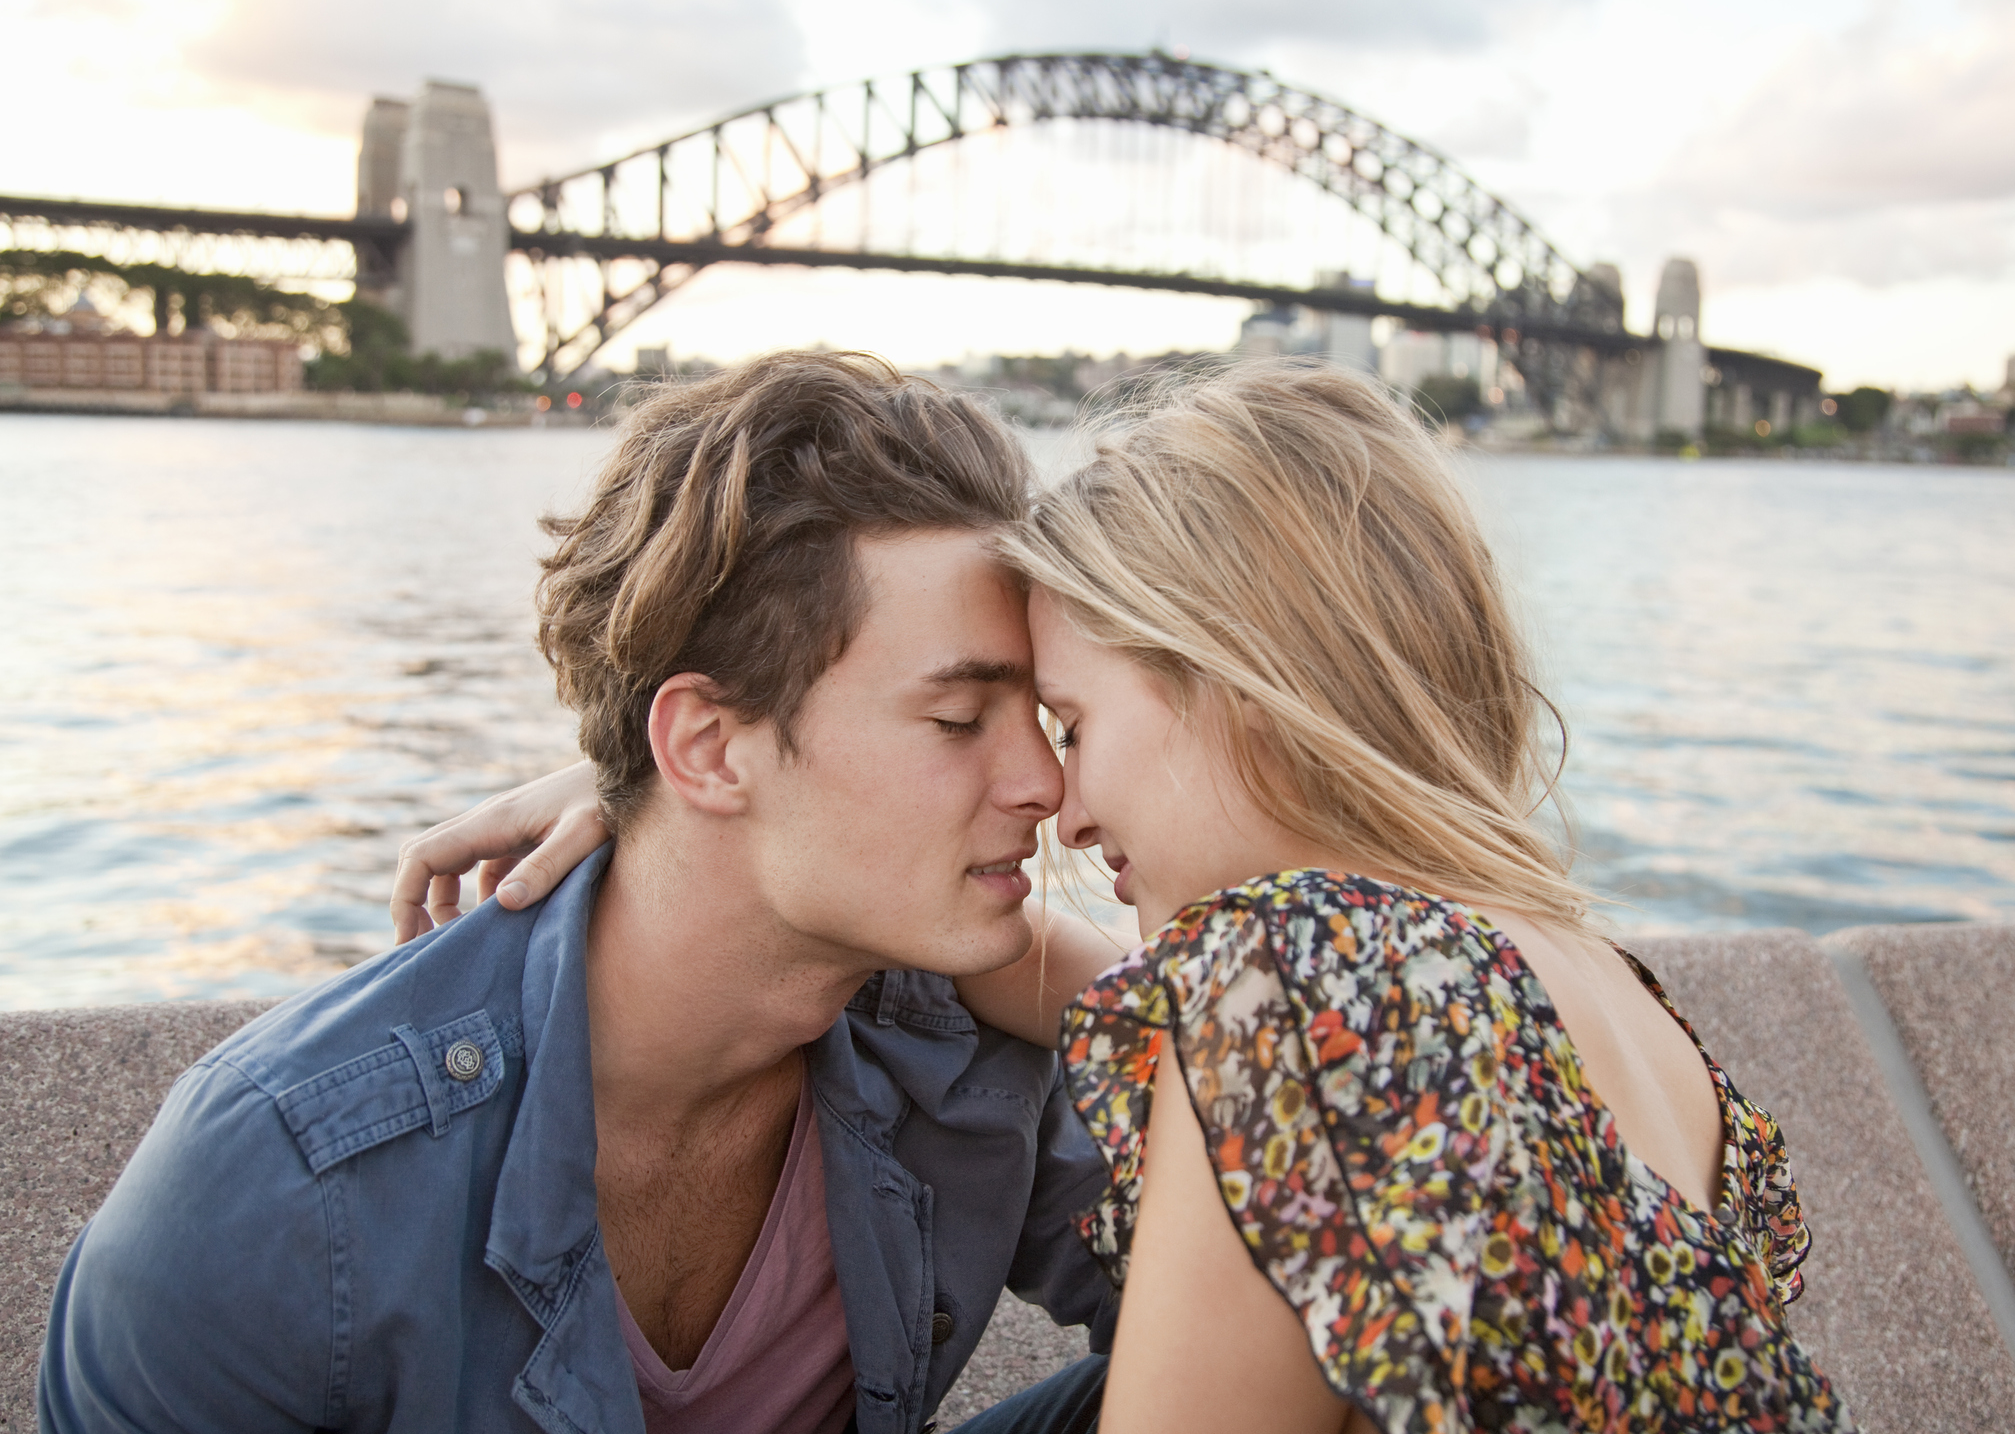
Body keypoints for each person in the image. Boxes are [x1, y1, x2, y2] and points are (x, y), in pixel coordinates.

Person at [434, 361, 1854, 1431]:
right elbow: (1065, 973)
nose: (1062, 795)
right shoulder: (1575, 981)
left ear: (1230, 689)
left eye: (1068, 716)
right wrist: (678, 796)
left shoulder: (1293, 976)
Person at [39, 353, 1119, 1434]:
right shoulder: (279, 1188)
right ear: (704, 746)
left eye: (1049, 721)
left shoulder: (956, 1038)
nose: (1043, 783)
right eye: (957, 719)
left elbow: (1280, 1261)